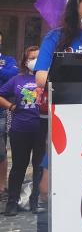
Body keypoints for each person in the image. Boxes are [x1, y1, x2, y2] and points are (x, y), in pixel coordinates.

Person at [0, 46, 45, 215]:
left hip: (41, 130)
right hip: (20, 130)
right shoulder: (17, 79)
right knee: (19, 166)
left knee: (39, 167)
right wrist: (11, 106)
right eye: (31, 58)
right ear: (25, 62)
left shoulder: (48, 78)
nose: (34, 61)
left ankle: (35, 201)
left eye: (37, 58)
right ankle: (12, 202)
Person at [0, 30, 19, 198]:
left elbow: (11, 74)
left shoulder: (8, 60)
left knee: (1, 150)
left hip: (1, 111)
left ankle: (2, 185)